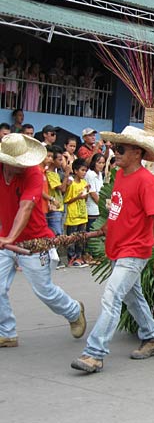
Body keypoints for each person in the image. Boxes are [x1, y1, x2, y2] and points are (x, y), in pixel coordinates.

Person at [71, 126, 154, 373]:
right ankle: (153, 336)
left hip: (134, 251)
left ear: (137, 153)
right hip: (117, 248)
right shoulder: (120, 175)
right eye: (115, 148)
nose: (116, 153)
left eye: (121, 149)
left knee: (112, 297)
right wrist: (105, 228)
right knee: (132, 297)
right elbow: (119, 210)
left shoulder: (147, 182)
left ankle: (94, 353)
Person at [0, 133, 86, 348]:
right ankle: (7, 332)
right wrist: (7, 237)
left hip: (34, 241)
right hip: (5, 241)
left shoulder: (33, 174)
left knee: (44, 290)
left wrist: (11, 236)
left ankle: (74, 311)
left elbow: (26, 207)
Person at [64, 159, 90, 267]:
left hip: (82, 215)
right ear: (75, 171)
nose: (84, 173)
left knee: (81, 238)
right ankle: (71, 257)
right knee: (72, 238)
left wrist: (87, 192)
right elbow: (67, 200)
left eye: (85, 170)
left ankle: (79, 257)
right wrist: (78, 197)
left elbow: (86, 198)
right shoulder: (72, 184)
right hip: (73, 215)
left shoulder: (84, 183)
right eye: (82, 170)